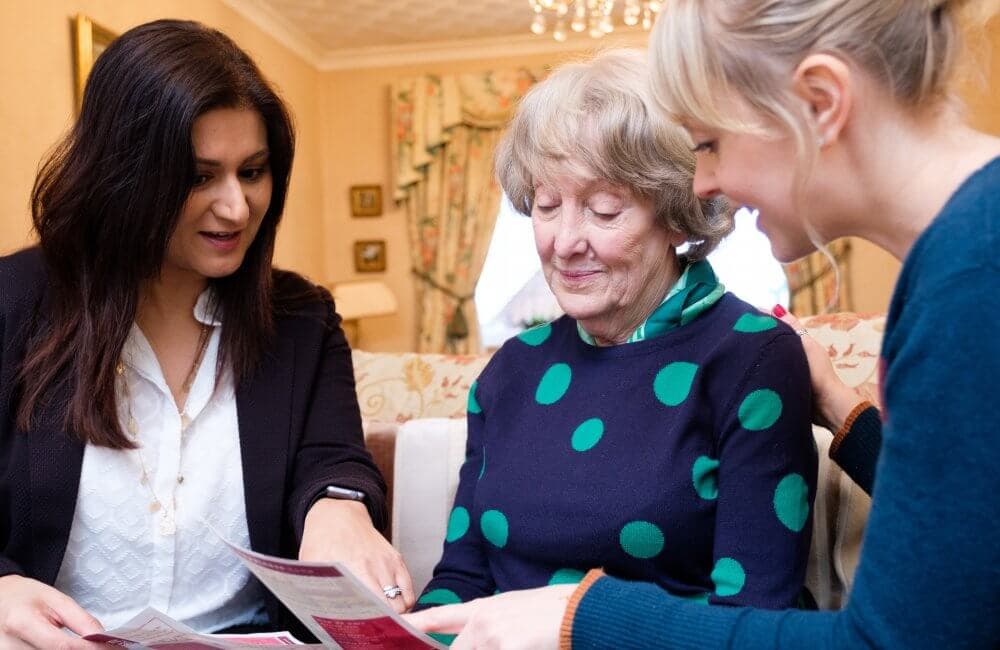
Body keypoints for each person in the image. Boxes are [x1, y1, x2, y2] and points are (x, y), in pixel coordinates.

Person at [405, 1, 1000, 648]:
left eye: (709, 144)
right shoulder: (960, 265)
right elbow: (967, 541)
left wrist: (578, 618)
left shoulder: (971, 278)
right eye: (547, 207)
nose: (706, 183)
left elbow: (888, 640)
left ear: (822, 101)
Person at [0, 19, 413, 648]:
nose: (237, 207)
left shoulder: (302, 317)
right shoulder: (14, 303)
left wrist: (339, 508)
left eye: (252, 171)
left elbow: (333, 460)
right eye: (199, 177)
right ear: (122, 174)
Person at [410, 49, 818, 629]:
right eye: (547, 206)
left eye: (604, 210)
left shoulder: (751, 357)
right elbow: (463, 581)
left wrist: (570, 633)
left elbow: (753, 620)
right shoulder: (513, 369)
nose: (565, 241)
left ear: (679, 213)